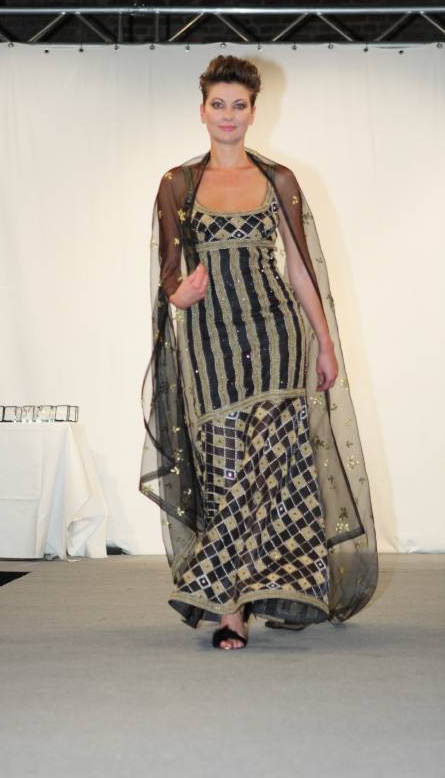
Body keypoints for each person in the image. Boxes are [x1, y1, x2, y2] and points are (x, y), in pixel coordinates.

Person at [140, 55, 378, 651]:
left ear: (252, 112)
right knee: (225, 469)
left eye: (238, 105)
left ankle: (238, 608)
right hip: (211, 343)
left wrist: (324, 343)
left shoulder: (278, 180)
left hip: (278, 337)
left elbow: (299, 268)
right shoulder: (177, 182)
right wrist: (178, 292)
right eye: (218, 105)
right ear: (202, 112)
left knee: (274, 470)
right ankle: (230, 595)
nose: (228, 115)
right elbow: (168, 267)